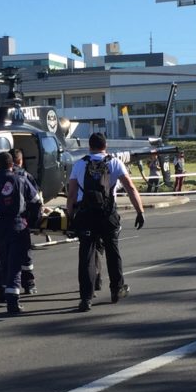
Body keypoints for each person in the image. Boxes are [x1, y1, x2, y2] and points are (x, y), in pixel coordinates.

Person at [67, 132, 146, 312]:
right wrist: (139, 211)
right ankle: (116, 289)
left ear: (90, 146)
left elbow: (71, 195)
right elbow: (131, 188)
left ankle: (86, 298)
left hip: (86, 214)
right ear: (106, 146)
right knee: (112, 251)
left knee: (86, 256)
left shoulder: (79, 164)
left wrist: (71, 217)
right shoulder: (115, 163)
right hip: (108, 214)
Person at [0, 152, 42, 314]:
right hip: (19, 225)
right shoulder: (22, 179)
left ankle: (2, 289)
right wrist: (33, 221)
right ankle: (12, 301)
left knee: (3, 260)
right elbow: (36, 202)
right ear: (13, 165)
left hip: (1, 227)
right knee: (16, 264)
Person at [10, 148, 38, 295]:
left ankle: (2, 288)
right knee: (25, 255)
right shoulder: (25, 176)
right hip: (21, 222)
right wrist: (34, 220)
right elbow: (35, 199)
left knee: (3, 256)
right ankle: (29, 284)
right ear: (20, 161)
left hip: (2, 224)